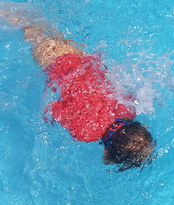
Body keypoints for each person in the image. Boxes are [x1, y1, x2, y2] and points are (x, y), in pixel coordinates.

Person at [1, 5, 154, 171]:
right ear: (107, 152)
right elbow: (55, 109)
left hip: (81, 55)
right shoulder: (86, 133)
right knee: (27, 28)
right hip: (55, 62)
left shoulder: (128, 109)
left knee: (47, 27)